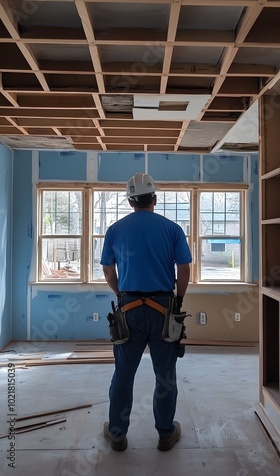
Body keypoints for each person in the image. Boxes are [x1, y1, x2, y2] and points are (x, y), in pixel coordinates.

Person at [100, 172, 192, 452]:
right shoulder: (172, 229)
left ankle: (117, 435)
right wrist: (178, 300)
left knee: (123, 375)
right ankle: (165, 433)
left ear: (130, 202)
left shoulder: (115, 230)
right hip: (163, 309)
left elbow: (107, 268)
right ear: (155, 198)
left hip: (128, 310)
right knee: (165, 375)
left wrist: (120, 294)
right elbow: (184, 268)